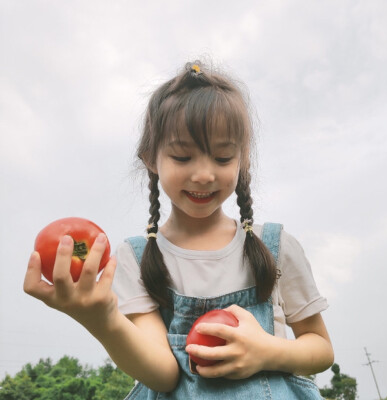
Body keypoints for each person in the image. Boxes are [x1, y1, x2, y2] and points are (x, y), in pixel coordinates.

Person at [24, 61, 334, 399]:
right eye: (182, 158)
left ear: (242, 159)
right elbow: (164, 375)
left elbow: (320, 349)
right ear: (150, 159)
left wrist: (268, 351)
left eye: (222, 158)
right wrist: (103, 320)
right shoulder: (137, 257)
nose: (203, 174)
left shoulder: (274, 246)